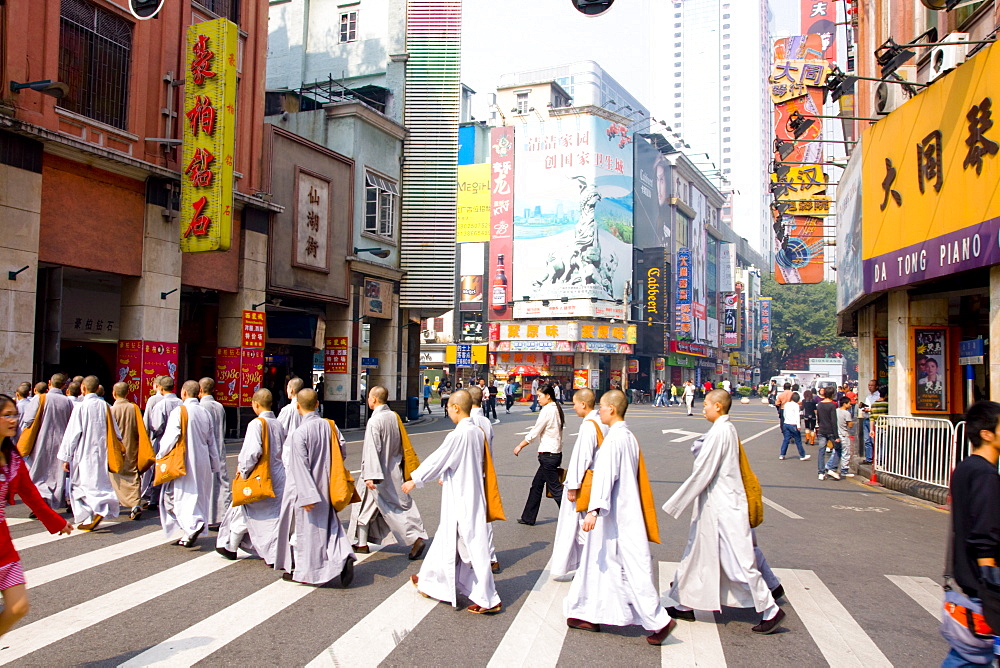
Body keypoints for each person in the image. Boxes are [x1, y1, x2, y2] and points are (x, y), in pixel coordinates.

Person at [663, 389, 785, 634]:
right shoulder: (721, 430)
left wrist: (675, 503)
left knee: (739, 561)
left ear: (718, 406)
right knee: (697, 554)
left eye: (706, 404)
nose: (703, 408)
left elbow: (703, 471)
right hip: (715, 506)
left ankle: (770, 609)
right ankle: (686, 604)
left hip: (725, 507)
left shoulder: (721, 431)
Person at [563, 389, 675, 645]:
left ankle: (659, 620)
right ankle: (587, 612)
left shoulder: (614, 439)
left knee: (626, 566)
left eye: (601, 407)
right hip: (618, 511)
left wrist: (593, 510)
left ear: (611, 409)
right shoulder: (627, 436)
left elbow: (606, 477)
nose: (599, 411)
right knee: (599, 563)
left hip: (615, 514)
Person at [401, 390, 503, 614]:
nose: (447, 411)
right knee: (449, 540)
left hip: (462, 498)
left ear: (457, 408)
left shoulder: (459, 435)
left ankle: (488, 598)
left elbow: (438, 459)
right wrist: (447, 476)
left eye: (448, 407)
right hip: (469, 493)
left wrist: (414, 480)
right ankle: (430, 581)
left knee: (471, 547)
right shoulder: (476, 432)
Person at [0, 394, 72, 640]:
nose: (13, 420)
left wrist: (56, 521)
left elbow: (30, 493)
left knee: (19, 607)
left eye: (14, 414)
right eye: (7, 415)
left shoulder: (12, 458)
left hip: (3, 545)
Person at [274, 389, 356, 587]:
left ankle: (308, 572)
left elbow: (299, 467)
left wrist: (307, 495)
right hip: (328, 483)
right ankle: (343, 555)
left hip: (306, 488)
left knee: (308, 531)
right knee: (330, 524)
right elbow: (342, 451)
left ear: (297, 406)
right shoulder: (330, 425)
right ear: (317, 404)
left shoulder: (299, 434)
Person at [942, 401, 1000, 667]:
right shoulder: (986, 475)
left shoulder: (965, 468)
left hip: (968, 578)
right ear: (987, 433)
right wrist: (993, 587)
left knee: (968, 657)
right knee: (970, 658)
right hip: (984, 585)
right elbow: (985, 534)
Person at [347, 386, 428, 560]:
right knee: (389, 506)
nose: (367, 400)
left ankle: (415, 538)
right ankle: (361, 543)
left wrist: (370, 476)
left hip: (375, 473)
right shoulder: (393, 416)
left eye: (369, 397)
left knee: (384, 509)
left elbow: (372, 449)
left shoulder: (374, 421)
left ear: (374, 399)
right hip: (393, 469)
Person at [216, 388, 287, 565]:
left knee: (256, 514)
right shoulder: (278, 424)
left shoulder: (257, 424)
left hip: (259, 475)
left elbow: (252, 453)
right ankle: (231, 547)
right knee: (250, 510)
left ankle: (271, 554)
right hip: (278, 475)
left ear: (255, 404)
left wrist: (243, 470)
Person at [550, 388, 606, 581]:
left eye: (574, 404)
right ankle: (587, 566)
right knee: (585, 526)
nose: (573, 408)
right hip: (597, 481)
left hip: (584, 483)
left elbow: (582, 458)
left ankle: (590, 566)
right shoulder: (601, 421)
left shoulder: (589, 425)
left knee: (579, 527)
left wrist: (573, 486)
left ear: (583, 404)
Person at [157, 380, 219, 547]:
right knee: (198, 495)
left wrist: (160, 456)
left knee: (181, 495)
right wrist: (214, 463)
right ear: (198, 393)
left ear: (183, 393)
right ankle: (189, 530)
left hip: (184, 461)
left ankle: (192, 526)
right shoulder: (204, 412)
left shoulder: (180, 411)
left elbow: (170, 438)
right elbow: (211, 440)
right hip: (203, 460)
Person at [57, 375, 121, 532]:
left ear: (83, 388)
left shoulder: (80, 407)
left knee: (80, 485)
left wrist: (66, 456)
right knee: (98, 482)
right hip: (101, 451)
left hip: (84, 451)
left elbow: (72, 433)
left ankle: (95, 511)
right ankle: (94, 513)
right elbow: (115, 431)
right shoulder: (105, 405)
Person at [17, 373, 75, 509]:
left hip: (41, 440)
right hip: (61, 441)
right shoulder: (67, 401)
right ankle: (53, 501)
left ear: (50, 383)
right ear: (63, 386)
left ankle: (41, 498)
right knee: (57, 473)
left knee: (38, 471)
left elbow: (28, 419)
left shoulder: (40, 398)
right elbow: (71, 423)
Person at [514, 384, 565, 526]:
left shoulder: (548, 410)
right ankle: (528, 517)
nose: (538, 399)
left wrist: (520, 445)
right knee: (537, 485)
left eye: (540, 396)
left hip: (548, 455)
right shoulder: (555, 408)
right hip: (553, 453)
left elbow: (535, 432)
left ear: (548, 396)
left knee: (555, 489)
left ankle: (573, 517)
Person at [109, 382, 149, 520]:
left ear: (114, 393)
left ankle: (114, 503)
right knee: (133, 475)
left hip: (116, 448)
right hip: (132, 445)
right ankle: (135, 505)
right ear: (127, 393)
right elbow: (141, 429)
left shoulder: (111, 410)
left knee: (115, 476)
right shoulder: (134, 408)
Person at [198, 378, 230, 530]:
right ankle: (222, 516)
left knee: (206, 484)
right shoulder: (219, 406)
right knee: (221, 482)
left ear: (200, 389)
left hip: (207, 448)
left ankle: (209, 516)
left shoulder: (201, 407)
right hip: (220, 445)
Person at [816, 386, 841, 480]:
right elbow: (834, 421)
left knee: (821, 451)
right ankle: (832, 468)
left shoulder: (819, 404)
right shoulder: (832, 405)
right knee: (838, 448)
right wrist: (836, 436)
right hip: (830, 430)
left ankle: (821, 472)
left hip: (822, 430)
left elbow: (818, 418)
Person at [276, 377, 308, 445]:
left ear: (291, 390)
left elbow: (278, 431)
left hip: (289, 448)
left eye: (287, 387)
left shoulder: (287, 409)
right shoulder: (308, 408)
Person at [779, 392, 809, 461]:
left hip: (786, 423)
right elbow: (797, 416)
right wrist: (798, 425)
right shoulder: (796, 405)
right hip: (793, 424)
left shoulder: (786, 404)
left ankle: (782, 454)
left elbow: (784, 414)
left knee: (786, 440)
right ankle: (802, 455)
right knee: (798, 440)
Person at [859, 380, 880, 465]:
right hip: (866, 419)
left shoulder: (878, 396)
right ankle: (869, 458)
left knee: (874, 440)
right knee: (867, 440)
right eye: (869, 385)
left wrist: (870, 409)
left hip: (874, 420)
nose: (870, 387)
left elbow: (876, 408)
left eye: (872, 385)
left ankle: (877, 458)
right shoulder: (868, 396)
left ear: (876, 386)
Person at [836, 396, 855, 478]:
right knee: (846, 452)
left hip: (837, 434)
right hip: (844, 434)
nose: (850, 405)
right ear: (845, 404)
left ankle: (831, 467)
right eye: (849, 403)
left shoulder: (836, 411)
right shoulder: (847, 413)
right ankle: (844, 470)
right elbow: (850, 425)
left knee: (836, 452)